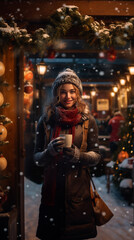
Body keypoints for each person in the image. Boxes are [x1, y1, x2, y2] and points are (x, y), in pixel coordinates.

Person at [34, 68, 101, 240]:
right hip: (52, 193)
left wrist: (80, 156)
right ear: (57, 93)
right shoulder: (46, 120)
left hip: (78, 194)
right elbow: (37, 159)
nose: (68, 96)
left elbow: (96, 156)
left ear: (78, 93)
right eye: (63, 92)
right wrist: (48, 152)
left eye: (72, 91)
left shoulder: (88, 120)